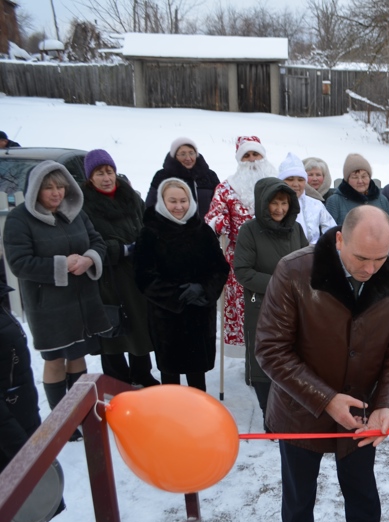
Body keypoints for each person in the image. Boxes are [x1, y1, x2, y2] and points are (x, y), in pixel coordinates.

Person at [255, 205, 389, 522]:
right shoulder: (295, 271)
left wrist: (386, 405)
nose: (370, 269)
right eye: (361, 258)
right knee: (298, 501)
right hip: (299, 408)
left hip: (360, 411)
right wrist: (324, 399)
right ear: (339, 239)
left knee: (363, 495)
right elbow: (270, 350)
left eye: (380, 259)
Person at [2, 161, 110, 443]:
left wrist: (88, 259)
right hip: (48, 305)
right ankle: (62, 419)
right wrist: (62, 265)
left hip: (81, 301)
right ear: (35, 189)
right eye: (48, 187)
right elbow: (19, 263)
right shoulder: (19, 220)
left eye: (60, 186)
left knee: (77, 355)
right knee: (55, 359)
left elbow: (97, 242)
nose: (56, 193)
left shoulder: (74, 213)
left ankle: (80, 413)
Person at [0, 284, 70, 522]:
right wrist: (19, 445)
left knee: (15, 503)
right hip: (6, 430)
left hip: (16, 415)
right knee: (8, 507)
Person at [134, 178, 229, 391]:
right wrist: (176, 296)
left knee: (197, 377)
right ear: (162, 202)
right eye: (173, 201)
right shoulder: (149, 233)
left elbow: (220, 268)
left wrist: (204, 289)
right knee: (170, 376)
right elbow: (143, 276)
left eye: (183, 200)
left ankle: (199, 417)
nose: (179, 206)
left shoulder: (202, 230)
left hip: (199, 316)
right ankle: (173, 419)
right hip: (166, 318)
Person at [80, 149, 158, 388]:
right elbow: (87, 241)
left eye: (109, 171)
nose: (106, 178)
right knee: (112, 327)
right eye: (99, 173)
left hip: (136, 274)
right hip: (106, 277)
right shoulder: (84, 204)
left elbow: (147, 221)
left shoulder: (130, 196)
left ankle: (141, 373)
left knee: (139, 324)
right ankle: (116, 379)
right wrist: (122, 249)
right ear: (90, 177)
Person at [234, 178, 308, 429]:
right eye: (273, 203)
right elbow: (243, 271)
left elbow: (307, 261)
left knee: (292, 357)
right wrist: (281, 283)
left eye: (284, 203)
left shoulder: (296, 229)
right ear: (262, 203)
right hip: (261, 303)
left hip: (294, 304)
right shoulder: (249, 230)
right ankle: (269, 416)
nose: (279, 209)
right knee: (263, 360)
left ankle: (289, 410)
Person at [205, 135, 278, 348]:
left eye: (256, 154)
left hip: (274, 252)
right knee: (246, 307)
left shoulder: (276, 182)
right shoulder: (227, 188)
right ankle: (248, 357)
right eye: (247, 155)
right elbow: (213, 217)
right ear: (239, 159)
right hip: (241, 256)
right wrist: (220, 222)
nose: (252, 159)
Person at [325, 154, 389, 252]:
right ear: (347, 180)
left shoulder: (381, 200)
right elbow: (328, 236)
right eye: (355, 177)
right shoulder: (335, 201)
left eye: (364, 176)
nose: (360, 181)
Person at [145, 137, 220, 219]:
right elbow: (150, 206)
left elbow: (220, 203)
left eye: (191, 153)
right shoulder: (162, 176)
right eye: (183, 154)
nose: (188, 158)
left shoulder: (209, 175)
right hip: (172, 230)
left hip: (205, 228)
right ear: (175, 156)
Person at [278, 153, 336, 244]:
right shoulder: (273, 204)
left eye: (300, 180)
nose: (296, 184)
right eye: (290, 179)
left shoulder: (316, 205)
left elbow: (332, 231)